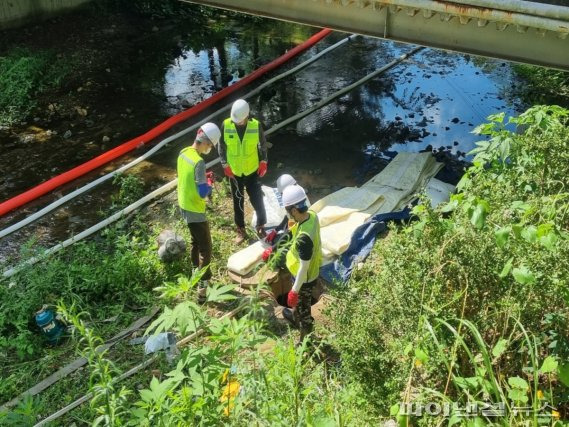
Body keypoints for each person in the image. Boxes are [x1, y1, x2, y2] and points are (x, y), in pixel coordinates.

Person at [177, 122, 221, 303]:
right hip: (195, 209)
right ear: (205, 142)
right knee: (206, 248)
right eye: (210, 145)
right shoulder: (199, 162)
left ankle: (195, 272)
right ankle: (202, 288)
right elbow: (203, 192)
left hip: (184, 205)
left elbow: (186, 178)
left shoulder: (183, 153)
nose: (210, 148)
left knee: (195, 241)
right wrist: (209, 184)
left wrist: (203, 181)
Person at [218, 99, 268, 244]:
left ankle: (261, 225)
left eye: (240, 120)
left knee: (257, 199)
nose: (237, 122)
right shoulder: (226, 125)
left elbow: (262, 144)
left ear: (247, 116)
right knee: (238, 201)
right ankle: (240, 230)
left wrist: (263, 161)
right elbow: (221, 146)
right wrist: (224, 164)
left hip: (252, 170)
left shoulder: (255, 125)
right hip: (234, 172)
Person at [281, 185, 322, 343]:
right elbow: (299, 229)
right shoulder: (312, 215)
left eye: (288, 211)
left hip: (304, 279)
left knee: (304, 310)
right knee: (300, 306)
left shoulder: (304, 239)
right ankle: (294, 315)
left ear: (293, 211)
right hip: (306, 273)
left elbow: (303, 268)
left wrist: (294, 291)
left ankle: (306, 341)